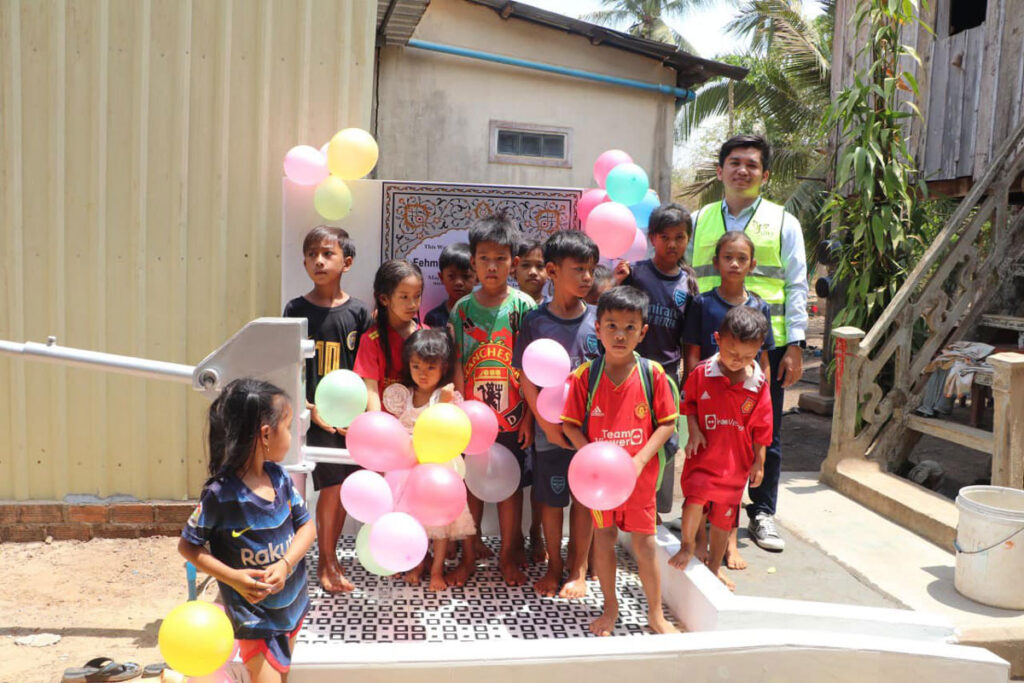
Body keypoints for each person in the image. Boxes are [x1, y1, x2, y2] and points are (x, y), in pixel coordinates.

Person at [687, 134, 808, 552]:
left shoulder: (783, 222)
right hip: (710, 343)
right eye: (734, 163)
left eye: (752, 165)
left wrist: (795, 344)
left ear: (765, 175)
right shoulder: (698, 219)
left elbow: (796, 284)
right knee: (709, 427)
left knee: (763, 431)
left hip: (762, 346)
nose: (742, 170)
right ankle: (703, 509)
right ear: (720, 171)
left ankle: (761, 513)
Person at [179, 379, 316, 682]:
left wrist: (285, 563)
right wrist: (233, 578)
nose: (292, 437)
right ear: (266, 434)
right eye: (289, 426)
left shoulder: (279, 477)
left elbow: (307, 526)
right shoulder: (221, 495)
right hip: (255, 619)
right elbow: (188, 547)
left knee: (284, 676)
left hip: (292, 608)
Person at [561, 286, 678, 636]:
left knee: (644, 545)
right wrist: (591, 456)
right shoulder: (586, 376)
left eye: (630, 327)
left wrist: (640, 460)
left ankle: (655, 615)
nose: (620, 335)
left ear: (643, 331)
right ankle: (609, 608)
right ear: (597, 329)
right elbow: (569, 425)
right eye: (611, 325)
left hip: (640, 481)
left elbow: (667, 422)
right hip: (600, 486)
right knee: (604, 537)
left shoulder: (653, 374)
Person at [282, 225, 371, 593]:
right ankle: (321, 562)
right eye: (312, 254)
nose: (319, 260)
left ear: (346, 262)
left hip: (349, 424)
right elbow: (288, 367)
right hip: (309, 418)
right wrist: (309, 407)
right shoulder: (296, 310)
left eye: (328, 253)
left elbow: (367, 370)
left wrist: (359, 415)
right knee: (317, 490)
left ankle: (328, 559)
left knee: (342, 489)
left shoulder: (359, 313)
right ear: (304, 262)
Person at [450, 211, 536, 586]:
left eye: (500, 258)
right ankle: (469, 556)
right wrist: (456, 409)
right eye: (484, 258)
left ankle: (507, 557)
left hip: (513, 418)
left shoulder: (523, 308)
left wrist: (531, 418)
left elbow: (532, 370)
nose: (492, 265)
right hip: (471, 421)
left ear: (513, 263)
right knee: (471, 488)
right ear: (473, 262)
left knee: (510, 488)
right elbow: (455, 362)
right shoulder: (461, 310)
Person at [513, 230, 601, 599]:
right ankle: (553, 567)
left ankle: (577, 569)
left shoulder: (601, 318)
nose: (587, 277)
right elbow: (525, 378)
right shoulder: (535, 321)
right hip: (551, 433)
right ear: (552, 270)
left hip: (593, 434)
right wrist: (545, 422)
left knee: (585, 500)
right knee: (551, 501)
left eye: (591, 270)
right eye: (578, 269)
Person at [682, 231, 774, 569]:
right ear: (716, 261)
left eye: (742, 258)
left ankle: (729, 545)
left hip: (742, 399)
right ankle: (700, 542)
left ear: (752, 263)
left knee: (730, 487)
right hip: (710, 394)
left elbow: (763, 360)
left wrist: (758, 382)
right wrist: (696, 389)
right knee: (702, 483)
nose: (734, 263)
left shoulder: (759, 305)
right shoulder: (703, 303)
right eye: (727, 257)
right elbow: (691, 353)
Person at [670, 306, 773, 591]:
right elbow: (688, 403)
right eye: (732, 354)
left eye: (747, 356)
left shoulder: (758, 383)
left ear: (759, 349)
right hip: (703, 458)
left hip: (735, 464)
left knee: (724, 518)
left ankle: (714, 567)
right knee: (694, 501)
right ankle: (688, 546)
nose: (738, 361)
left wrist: (759, 461)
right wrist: (693, 431)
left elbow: (763, 425)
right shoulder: (702, 372)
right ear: (717, 339)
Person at [613, 204, 698, 517]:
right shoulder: (636, 274)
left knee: (665, 440)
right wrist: (615, 280)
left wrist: (688, 380)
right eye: (665, 237)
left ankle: (656, 513)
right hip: (629, 372)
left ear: (688, 239)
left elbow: (690, 339)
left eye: (680, 237)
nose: (672, 244)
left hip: (668, 376)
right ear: (652, 238)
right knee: (628, 436)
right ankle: (621, 506)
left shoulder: (688, 285)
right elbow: (607, 310)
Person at [382, 329, 476, 590]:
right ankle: (416, 562)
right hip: (408, 472)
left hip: (438, 473)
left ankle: (437, 570)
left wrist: (444, 404)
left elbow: (452, 431)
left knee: (439, 525)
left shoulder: (445, 397)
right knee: (412, 520)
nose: (422, 373)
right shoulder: (404, 395)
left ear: (443, 368)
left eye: (430, 367)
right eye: (416, 366)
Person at [354, 259, 426, 413]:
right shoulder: (372, 340)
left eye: (417, 296)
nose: (413, 304)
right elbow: (371, 391)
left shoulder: (427, 336)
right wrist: (379, 426)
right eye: (404, 297)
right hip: (386, 428)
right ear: (384, 299)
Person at [424, 243, 476, 328]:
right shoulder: (433, 318)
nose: (458, 282)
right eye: (451, 276)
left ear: (477, 278)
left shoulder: (484, 315)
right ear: (441, 278)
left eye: (466, 276)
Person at [515, 239, 549, 303]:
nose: (533, 272)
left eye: (540, 266)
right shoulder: (505, 310)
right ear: (514, 269)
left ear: (549, 271)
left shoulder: (557, 309)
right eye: (525, 265)